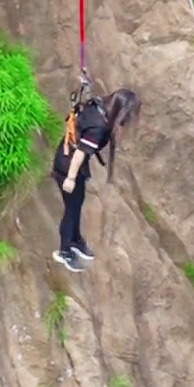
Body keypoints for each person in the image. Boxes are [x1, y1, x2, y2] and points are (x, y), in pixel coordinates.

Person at [52, 85, 141, 271]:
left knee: (78, 203)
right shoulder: (99, 127)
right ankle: (64, 251)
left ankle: (75, 240)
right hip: (68, 165)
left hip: (73, 162)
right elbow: (80, 154)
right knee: (71, 209)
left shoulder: (100, 106)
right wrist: (70, 178)